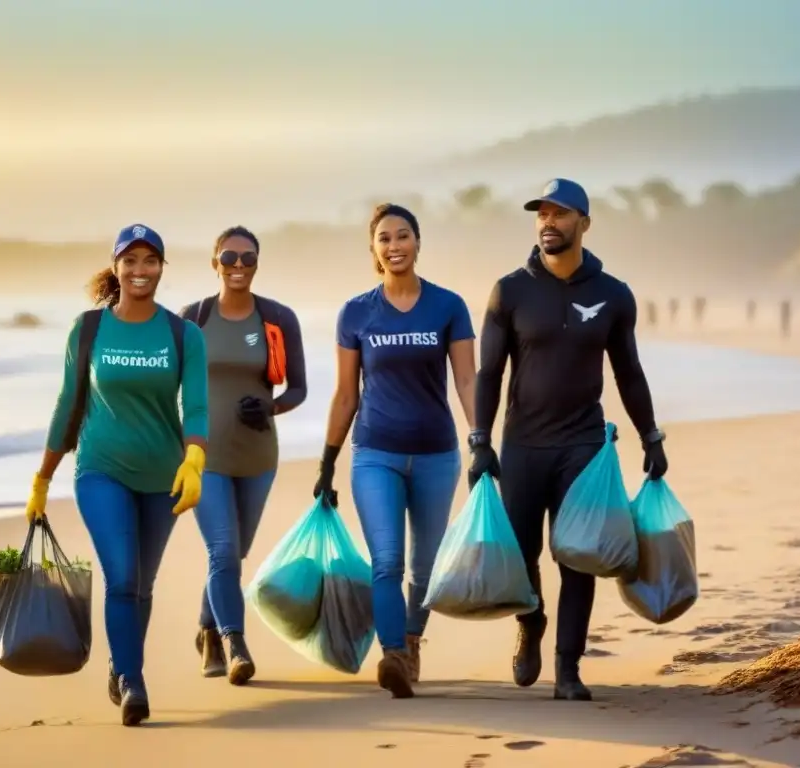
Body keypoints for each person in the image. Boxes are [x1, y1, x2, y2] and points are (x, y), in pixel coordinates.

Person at [467, 179, 668, 702]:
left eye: (560, 214)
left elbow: (629, 372)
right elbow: (489, 373)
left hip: (583, 445)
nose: (548, 222)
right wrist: (479, 440)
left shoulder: (613, 295)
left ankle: (568, 667)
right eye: (542, 214)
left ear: (585, 222)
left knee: (579, 555)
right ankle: (531, 623)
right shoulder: (509, 290)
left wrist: (650, 434)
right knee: (521, 553)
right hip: (524, 444)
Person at [24, 223, 209, 727]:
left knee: (142, 584)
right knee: (122, 575)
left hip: (164, 476)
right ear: (116, 266)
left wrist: (195, 459)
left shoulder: (182, 333)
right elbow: (68, 406)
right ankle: (132, 680)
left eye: (150, 261)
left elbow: (195, 406)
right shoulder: (88, 329)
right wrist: (43, 478)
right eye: (130, 260)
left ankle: (121, 664)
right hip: (101, 470)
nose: (140, 270)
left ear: (162, 269)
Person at [313, 203, 478, 699]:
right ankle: (392, 656)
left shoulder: (448, 306)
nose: (394, 245)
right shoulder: (357, 312)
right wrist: (327, 459)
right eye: (384, 238)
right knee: (386, 562)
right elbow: (346, 394)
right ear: (374, 249)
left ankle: (410, 644)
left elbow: (467, 380)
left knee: (424, 568)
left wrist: (482, 440)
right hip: (375, 453)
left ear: (418, 243)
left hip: (436, 454)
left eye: (403, 235)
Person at [179, 226, 307, 685]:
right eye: (229, 257)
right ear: (214, 261)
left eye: (247, 259)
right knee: (224, 550)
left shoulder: (277, 318)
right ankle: (235, 643)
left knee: (235, 555)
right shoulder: (192, 318)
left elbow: (299, 388)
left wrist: (271, 406)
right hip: (203, 456)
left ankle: (207, 630)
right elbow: (166, 389)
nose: (238, 266)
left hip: (257, 455)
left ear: (257, 263)